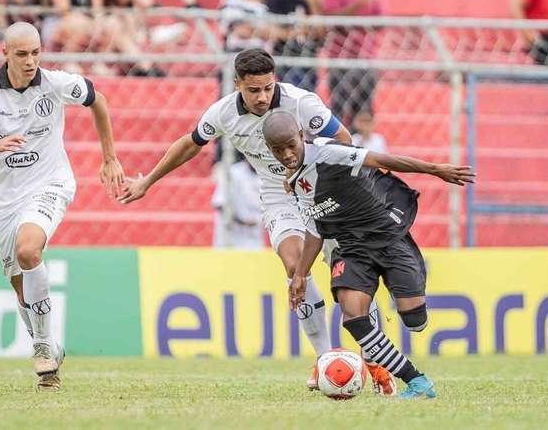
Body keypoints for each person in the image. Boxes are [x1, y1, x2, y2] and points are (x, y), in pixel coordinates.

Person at [117, 49, 398, 395]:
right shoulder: (223, 113)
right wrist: (147, 182)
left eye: (268, 88)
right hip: (278, 196)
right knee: (296, 267)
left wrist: (309, 170)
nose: (263, 97)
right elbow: (191, 144)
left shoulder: (301, 103)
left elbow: (342, 140)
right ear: (238, 85)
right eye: (254, 90)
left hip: (322, 191)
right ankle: (325, 357)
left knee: (350, 277)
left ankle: (372, 356)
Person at [0, 22, 124, 391]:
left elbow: (98, 99)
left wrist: (109, 157)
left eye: (36, 53)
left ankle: (43, 349)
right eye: (22, 54)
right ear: (5, 54)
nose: (31, 62)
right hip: (2, 201)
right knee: (21, 290)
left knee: (30, 251)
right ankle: (50, 346)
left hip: (50, 183)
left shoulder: (55, 83)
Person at [263, 110, 474, 398]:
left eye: (291, 145)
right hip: (349, 247)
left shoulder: (328, 153)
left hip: (386, 235)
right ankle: (416, 381)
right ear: (269, 150)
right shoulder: (294, 183)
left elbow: (380, 160)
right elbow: (314, 228)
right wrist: (300, 274)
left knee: (416, 322)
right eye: (278, 150)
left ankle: (397, 284)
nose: (286, 154)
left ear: (301, 136)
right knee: (353, 317)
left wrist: (435, 169)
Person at [322, 0, 381, 127]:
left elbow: (380, 22)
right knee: (340, 108)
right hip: (340, 58)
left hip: (365, 58)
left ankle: (361, 149)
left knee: (365, 110)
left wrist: (356, 21)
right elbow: (332, 20)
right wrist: (357, 7)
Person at [268, 0, 322, 91]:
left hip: (308, 58)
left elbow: (320, 32)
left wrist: (312, 3)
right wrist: (299, 32)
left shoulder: (309, 1)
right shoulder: (277, 0)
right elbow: (272, 31)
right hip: (284, 58)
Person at [211, 158, 265, 249]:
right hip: (230, 235)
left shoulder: (267, 175)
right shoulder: (234, 172)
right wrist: (242, 221)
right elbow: (220, 204)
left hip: (254, 236)